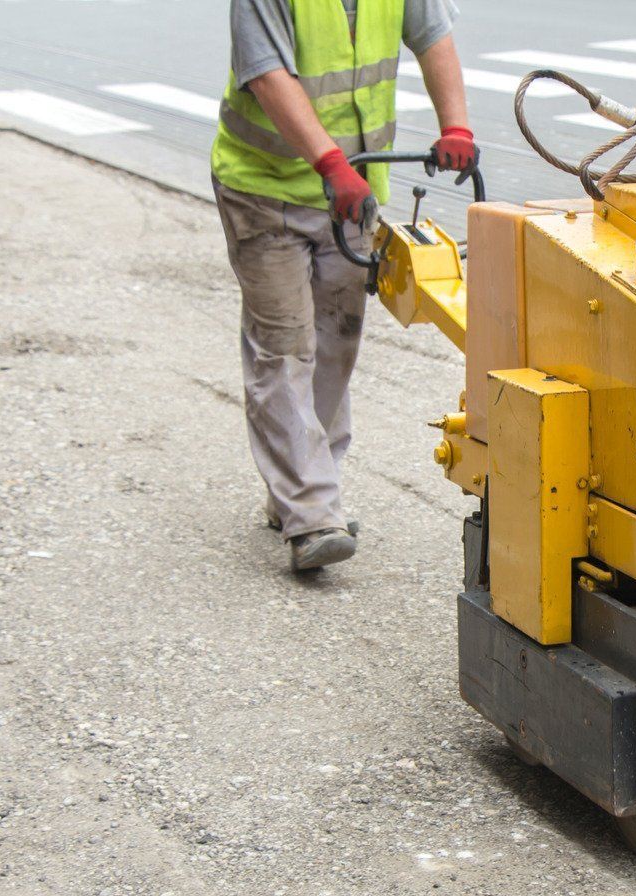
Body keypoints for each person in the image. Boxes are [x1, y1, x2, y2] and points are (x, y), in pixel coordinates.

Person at [212, 0, 476, 571]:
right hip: (266, 190)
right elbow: (266, 75)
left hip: (353, 192)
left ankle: (300, 488)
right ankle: (312, 514)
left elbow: (435, 38)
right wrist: (330, 164)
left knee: (336, 342)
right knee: (284, 347)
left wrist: (455, 124)